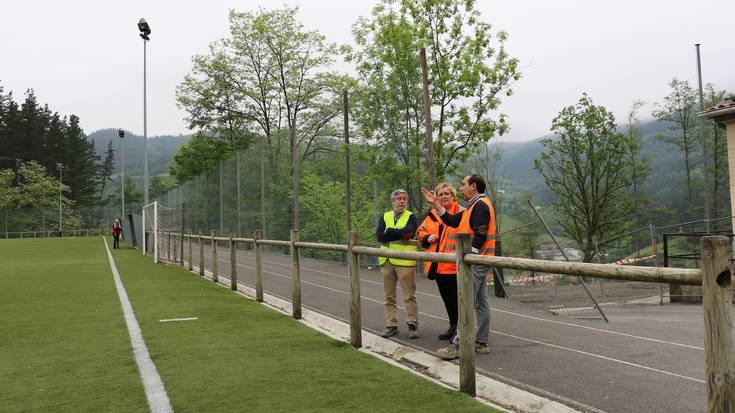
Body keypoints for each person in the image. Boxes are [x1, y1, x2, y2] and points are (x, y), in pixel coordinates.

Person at [420, 174, 496, 359]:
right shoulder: (473, 206)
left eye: (463, 185)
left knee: (466, 303)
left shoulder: (480, 206)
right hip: (479, 261)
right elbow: (453, 221)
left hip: (475, 262)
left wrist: (470, 258)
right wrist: (435, 204)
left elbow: (480, 234)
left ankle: (458, 345)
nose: (461, 188)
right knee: (481, 302)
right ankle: (481, 342)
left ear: (474, 186)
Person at [417, 182, 463, 341]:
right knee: (447, 299)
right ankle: (452, 326)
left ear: (453, 196)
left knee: (459, 301)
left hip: (454, 266)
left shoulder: (461, 212)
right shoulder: (431, 214)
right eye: (440, 194)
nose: (444, 197)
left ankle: (461, 331)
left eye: (446, 194)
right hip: (438, 266)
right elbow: (420, 231)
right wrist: (426, 237)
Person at [376, 189, 420, 339]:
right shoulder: (385, 216)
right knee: (389, 296)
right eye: (399, 199)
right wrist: (397, 232)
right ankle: (391, 324)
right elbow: (379, 237)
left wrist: (390, 231)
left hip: (405, 262)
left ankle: (412, 324)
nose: (402, 201)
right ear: (393, 201)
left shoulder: (411, 217)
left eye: (404, 199)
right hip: (386, 261)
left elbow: (409, 233)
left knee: (409, 296)